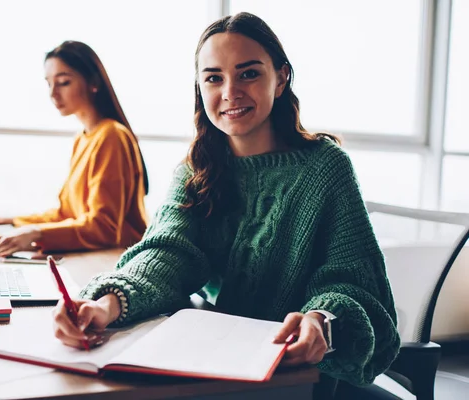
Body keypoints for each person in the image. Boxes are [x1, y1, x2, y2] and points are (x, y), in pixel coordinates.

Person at [52, 12, 400, 399]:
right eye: (214, 77)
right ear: (200, 87)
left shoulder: (325, 166)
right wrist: (105, 305)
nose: (230, 91)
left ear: (281, 78)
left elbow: (352, 280)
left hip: (297, 375)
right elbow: (167, 255)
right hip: (217, 362)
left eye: (249, 73)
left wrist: (320, 320)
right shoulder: (194, 169)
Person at [0, 41, 149, 260]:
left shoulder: (111, 136)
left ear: (93, 82)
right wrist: (9, 221)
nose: (53, 93)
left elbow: (104, 227)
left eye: (63, 82)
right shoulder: (83, 138)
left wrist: (36, 232)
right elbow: (66, 214)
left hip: (116, 259)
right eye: (48, 83)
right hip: (94, 255)